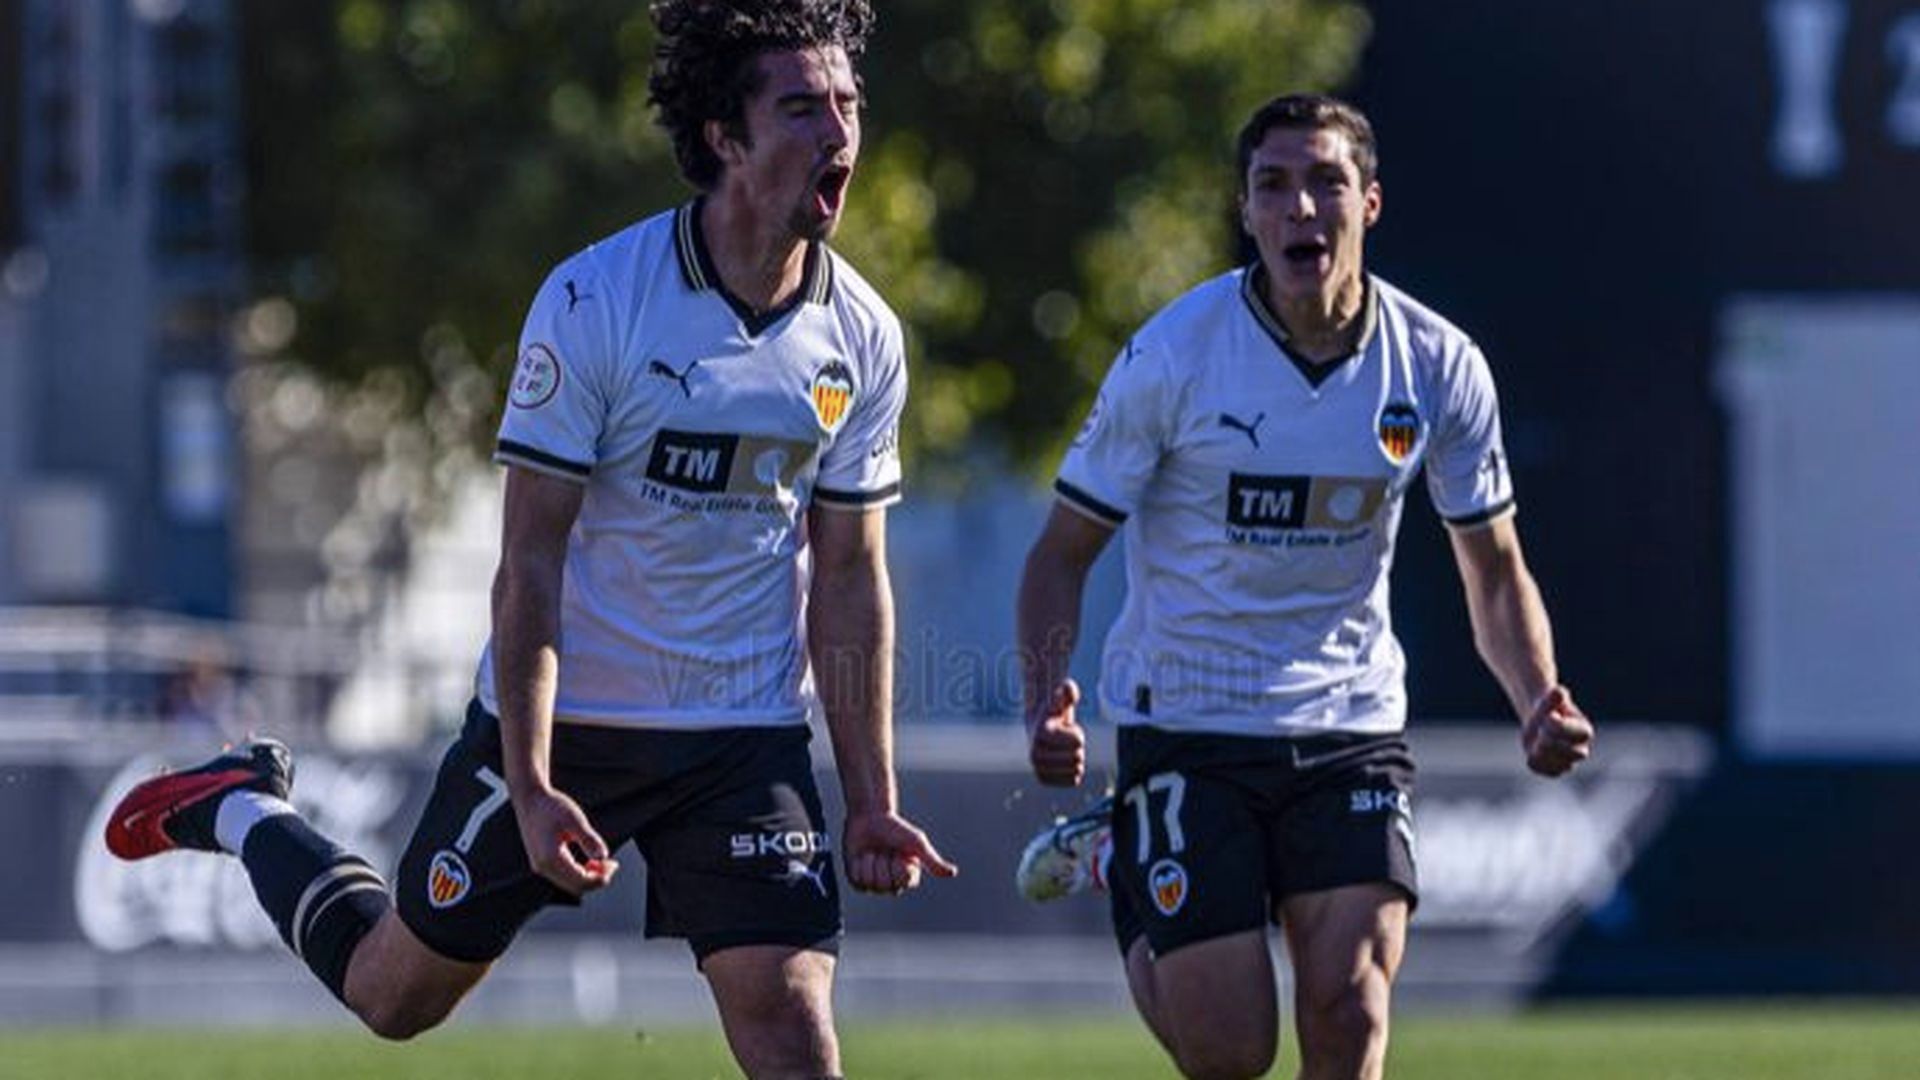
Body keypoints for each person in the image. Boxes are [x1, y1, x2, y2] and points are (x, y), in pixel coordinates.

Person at [105, 2, 955, 1075]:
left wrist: (874, 802)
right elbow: (531, 566)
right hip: (568, 731)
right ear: (723, 139)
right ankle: (239, 810)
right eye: (801, 108)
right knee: (392, 994)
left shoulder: (864, 336)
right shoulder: (597, 300)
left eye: (847, 105)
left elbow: (851, 575)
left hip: (741, 740)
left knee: (795, 1036)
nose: (839, 132)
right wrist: (538, 775)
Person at [1013, 94, 1593, 1080]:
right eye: (1273, 186)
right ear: (1247, 212)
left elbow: (1492, 566)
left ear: (1370, 202)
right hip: (1188, 726)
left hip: (1348, 730)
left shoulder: (1438, 366)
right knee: (1232, 1052)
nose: (1300, 209)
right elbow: (1059, 553)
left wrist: (1536, 696)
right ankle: (1124, 851)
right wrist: (1044, 702)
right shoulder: (1173, 356)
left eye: (1325, 181)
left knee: (1351, 1014)